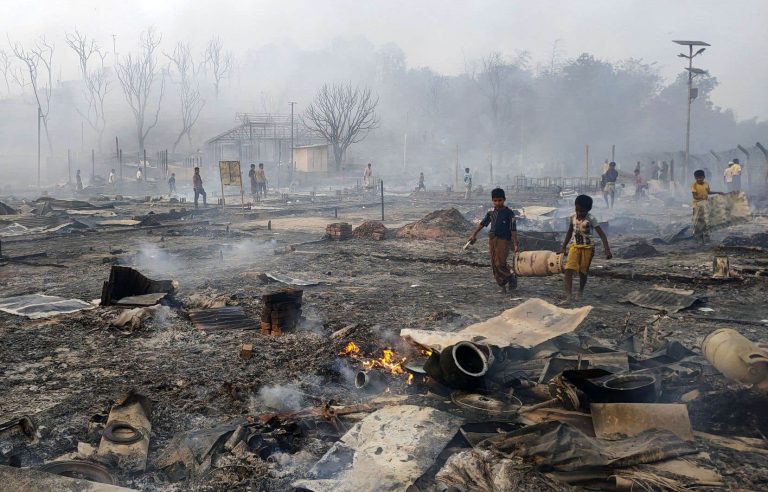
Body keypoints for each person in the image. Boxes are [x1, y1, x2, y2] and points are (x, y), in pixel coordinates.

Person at [559, 195, 612, 303]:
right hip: (574, 247)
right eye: (577, 210)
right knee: (568, 270)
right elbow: (570, 232)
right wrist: (564, 246)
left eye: (582, 211)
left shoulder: (591, 219)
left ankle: (580, 291)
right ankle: (568, 297)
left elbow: (602, 235)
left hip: (588, 248)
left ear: (588, 210)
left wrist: (607, 250)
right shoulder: (572, 217)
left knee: (583, 272)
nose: (579, 213)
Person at [468, 188, 519, 293]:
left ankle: (511, 277)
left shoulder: (509, 213)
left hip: (504, 240)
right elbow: (483, 224)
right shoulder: (491, 213)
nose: (497, 203)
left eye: (499, 200)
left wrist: (515, 244)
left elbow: (513, 229)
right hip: (493, 239)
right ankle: (503, 284)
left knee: (500, 263)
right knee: (494, 264)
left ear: (504, 200)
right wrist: (474, 234)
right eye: (495, 200)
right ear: (492, 201)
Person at [692, 169, 723, 243]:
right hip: (697, 206)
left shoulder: (706, 184)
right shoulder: (694, 185)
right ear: (695, 178)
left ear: (704, 177)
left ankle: (706, 236)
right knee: (697, 220)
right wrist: (701, 198)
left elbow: (708, 192)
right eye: (697, 178)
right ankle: (697, 236)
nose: (699, 179)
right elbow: (694, 196)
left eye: (701, 178)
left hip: (705, 204)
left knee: (706, 220)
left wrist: (718, 192)